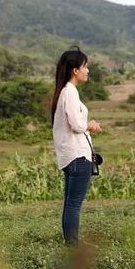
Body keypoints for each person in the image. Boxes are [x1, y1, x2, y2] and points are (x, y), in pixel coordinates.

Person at [51, 47, 102, 246]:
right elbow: (77, 124)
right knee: (74, 204)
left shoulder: (65, 91)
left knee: (70, 203)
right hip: (77, 157)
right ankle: (73, 243)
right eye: (85, 66)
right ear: (75, 70)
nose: (87, 70)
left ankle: (70, 241)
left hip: (70, 156)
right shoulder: (69, 92)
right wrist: (90, 124)